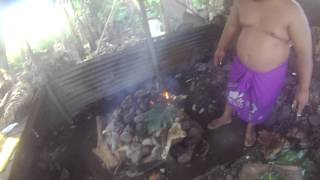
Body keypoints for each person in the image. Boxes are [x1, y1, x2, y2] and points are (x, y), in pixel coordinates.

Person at [207, 0, 313, 147]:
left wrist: (304, 88)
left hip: (269, 73)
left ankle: (251, 126)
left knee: (259, 102)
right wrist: (221, 47)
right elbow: (231, 25)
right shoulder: (242, 2)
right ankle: (226, 116)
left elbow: (304, 53)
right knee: (234, 91)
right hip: (241, 65)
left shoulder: (292, 11)